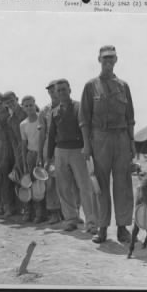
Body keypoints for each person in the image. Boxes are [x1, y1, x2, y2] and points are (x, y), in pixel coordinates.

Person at [79, 45, 136, 243]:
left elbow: (130, 118)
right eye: (105, 59)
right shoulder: (90, 86)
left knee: (123, 183)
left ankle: (122, 228)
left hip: (121, 138)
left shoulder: (123, 86)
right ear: (99, 60)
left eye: (112, 58)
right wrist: (87, 145)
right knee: (100, 185)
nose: (108, 62)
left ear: (116, 60)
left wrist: (132, 142)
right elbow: (84, 119)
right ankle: (102, 228)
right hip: (99, 138)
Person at [47, 79, 98, 233]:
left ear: (70, 89)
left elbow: (88, 129)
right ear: (55, 93)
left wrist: (88, 149)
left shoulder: (79, 107)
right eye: (58, 90)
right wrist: (48, 157)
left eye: (64, 89)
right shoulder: (54, 112)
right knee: (64, 188)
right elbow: (51, 135)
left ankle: (91, 222)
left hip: (78, 150)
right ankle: (70, 219)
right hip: (60, 151)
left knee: (85, 187)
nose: (61, 92)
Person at [37, 80, 63, 224]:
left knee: (67, 180)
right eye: (50, 90)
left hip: (66, 147)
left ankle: (70, 212)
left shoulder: (68, 106)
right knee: (51, 181)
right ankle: (54, 212)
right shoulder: (44, 111)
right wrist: (41, 154)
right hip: (49, 149)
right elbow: (42, 134)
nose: (53, 92)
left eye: (55, 90)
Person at [20, 95, 46, 223]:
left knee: (43, 184)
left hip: (43, 154)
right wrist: (25, 162)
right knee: (31, 184)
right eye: (26, 105)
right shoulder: (23, 124)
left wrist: (42, 155)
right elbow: (24, 144)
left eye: (31, 105)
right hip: (31, 155)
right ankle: (32, 212)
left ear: (35, 104)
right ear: (23, 107)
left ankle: (43, 213)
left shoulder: (42, 119)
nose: (29, 107)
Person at [3, 91, 27, 216]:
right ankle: (28, 210)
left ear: (17, 99)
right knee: (23, 180)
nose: (11, 104)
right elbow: (13, 141)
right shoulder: (10, 120)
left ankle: (42, 212)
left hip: (32, 149)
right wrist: (17, 159)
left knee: (37, 180)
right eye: (7, 103)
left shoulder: (27, 111)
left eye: (12, 101)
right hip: (20, 151)